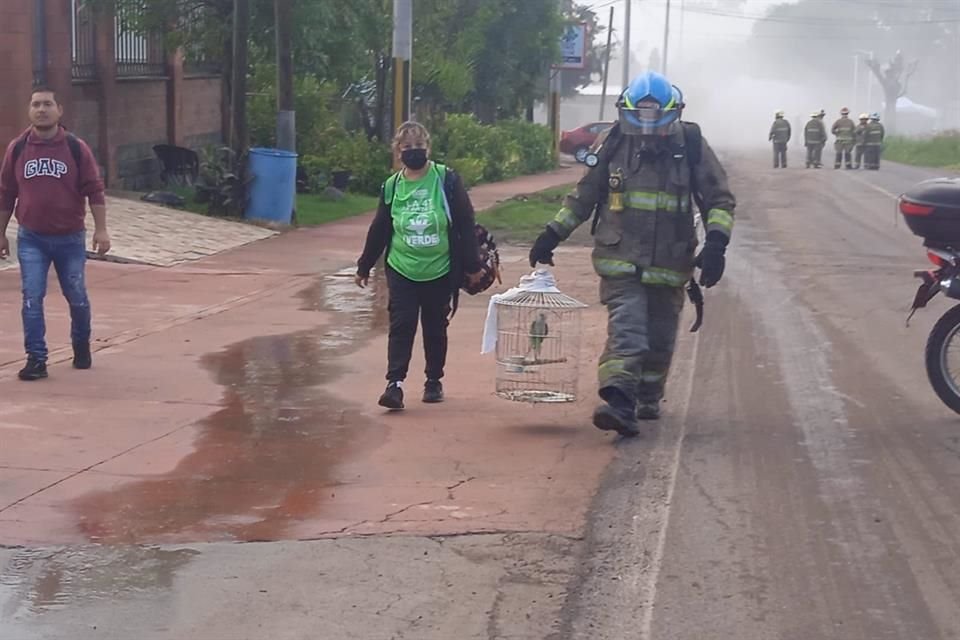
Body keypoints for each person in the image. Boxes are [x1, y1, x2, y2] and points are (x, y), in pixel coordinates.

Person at [528, 71, 736, 437]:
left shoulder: (690, 143)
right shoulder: (612, 142)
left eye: (657, 121)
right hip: (620, 260)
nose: (648, 130)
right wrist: (551, 234)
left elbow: (718, 199)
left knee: (659, 341)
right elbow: (584, 195)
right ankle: (619, 401)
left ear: (674, 113)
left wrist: (716, 243)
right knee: (628, 332)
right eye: (640, 120)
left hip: (671, 264)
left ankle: (646, 397)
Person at [355, 121, 483, 410]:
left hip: (440, 268)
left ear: (428, 148)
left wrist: (473, 265)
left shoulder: (446, 179)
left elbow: (464, 222)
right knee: (402, 324)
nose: (413, 152)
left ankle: (433, 380)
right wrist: (364, 265)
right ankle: (395, 384)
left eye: (419, 146)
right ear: (398, 151)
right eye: (407, 147)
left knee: (435, 326)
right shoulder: (392, 186)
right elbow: (380, 228)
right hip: (402, 267)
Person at [0, 86, 111, 381]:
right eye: (36, 104)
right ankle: (36, 358)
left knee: (76, 295)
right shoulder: (18, 148)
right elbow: (6, 193)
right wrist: (1, 234)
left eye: (48, 104)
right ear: (29, 110)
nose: (41, 109)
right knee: (31, 297)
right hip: (31, 238)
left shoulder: (75, 147)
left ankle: (81, 344)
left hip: (69, 238)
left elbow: (95, 190)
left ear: (59, 110)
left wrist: (101, 230)